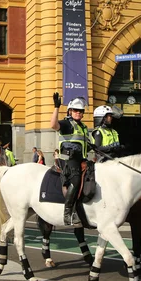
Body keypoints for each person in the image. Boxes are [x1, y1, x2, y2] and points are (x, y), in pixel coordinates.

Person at [51, 92, 90, 226]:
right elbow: (53, 125)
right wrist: (56, 107)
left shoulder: (83, 127)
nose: (78, 113)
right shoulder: (67, 124)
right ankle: (67, 213)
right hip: (68, 160)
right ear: (70, 111)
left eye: (81, 111)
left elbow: (86, 145)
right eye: (76, 110)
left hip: (82, 159)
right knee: (76, 179)